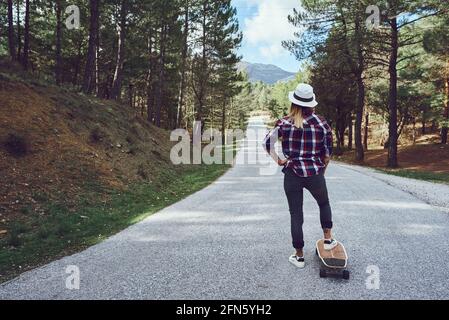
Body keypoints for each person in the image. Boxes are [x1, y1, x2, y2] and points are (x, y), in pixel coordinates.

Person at [262, 83, 337, 269]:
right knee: (324, 203)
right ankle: (328, 239)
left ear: (294, 102)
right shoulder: (321, 123)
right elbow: (327, 153)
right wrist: (322, 171)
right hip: (315, 172)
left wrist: (279, 160)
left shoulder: (285, 122)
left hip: (292, 172)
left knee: (296, 214)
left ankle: (299, 256)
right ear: (311, 103)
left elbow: (266, 143)